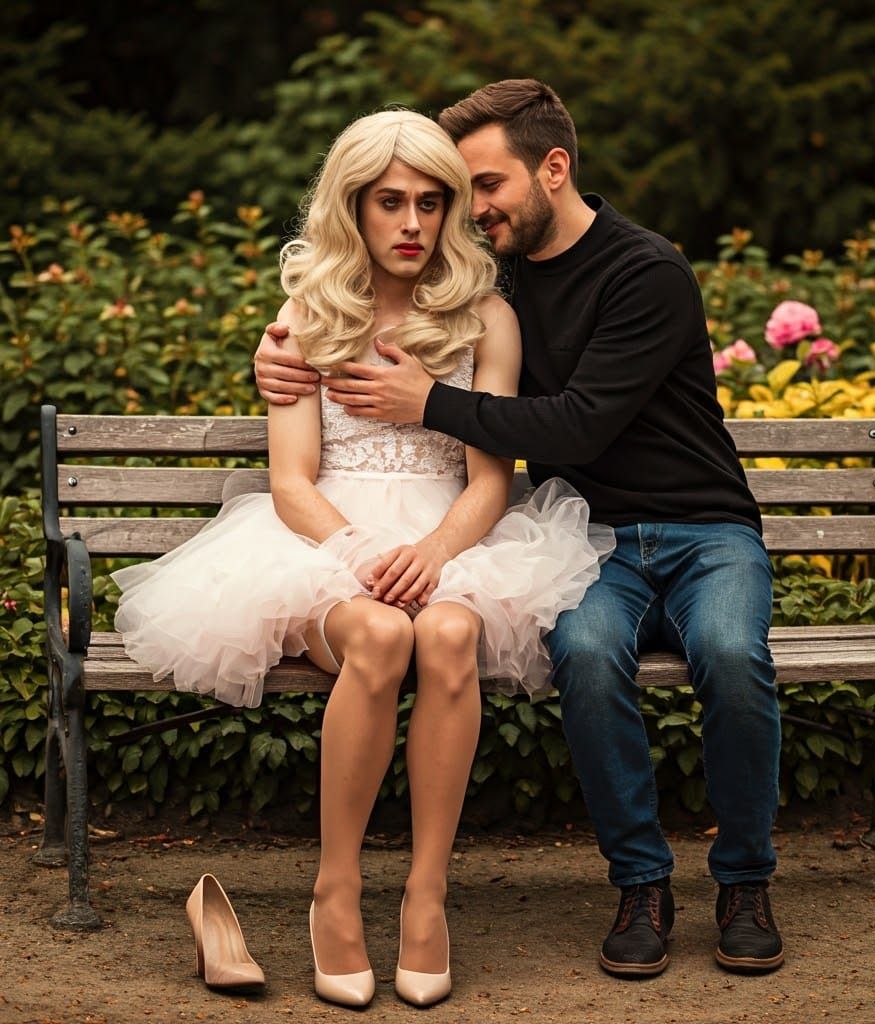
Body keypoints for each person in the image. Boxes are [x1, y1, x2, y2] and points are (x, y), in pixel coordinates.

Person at [254, 80, 784, 977]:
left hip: (701, 528)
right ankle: (641, 885)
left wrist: (429, 403)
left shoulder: (642, 271)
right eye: (455, 195)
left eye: (476, 191)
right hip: (595, 539)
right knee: (580, 652)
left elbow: (571, 426)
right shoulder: (499, 278)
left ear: (554, 168)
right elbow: (355, 347)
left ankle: (744, 880)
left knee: (732, 656)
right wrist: (281, 346)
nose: (464, 213)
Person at [113, 109, 613, 1007]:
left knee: (451, 637)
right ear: (355, 208)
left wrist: (433, 551)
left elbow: (490, 480)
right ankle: (335, 892)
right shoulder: (308, 314)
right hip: (319, 542)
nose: (413, 223)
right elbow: (293, 479)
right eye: (390, 202)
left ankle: (427, 897)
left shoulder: (486, 317)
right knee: (381, 638)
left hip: (455, 539)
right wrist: (357, 552)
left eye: (431, 201)